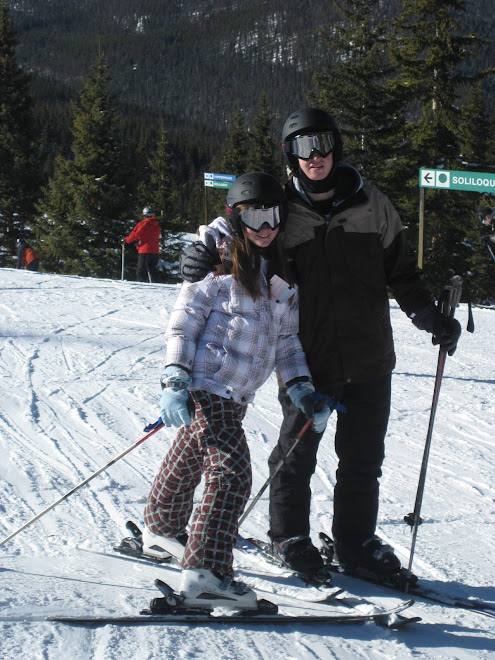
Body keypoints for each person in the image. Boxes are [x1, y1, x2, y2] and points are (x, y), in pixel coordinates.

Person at [179, 108, 462, 584]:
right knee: (296, 452)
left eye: (323, 144)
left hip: (371, 353)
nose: (316, 157)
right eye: (304, 147)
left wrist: (428, 316)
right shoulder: (283, 210)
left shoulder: (374, 205)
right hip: (309, 358)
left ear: (337, 147)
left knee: (363, 458)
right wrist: (202, 248)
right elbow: (237, 223)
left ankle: (354, 544)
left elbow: (402, 274)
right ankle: (288, 536)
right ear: (290, 154)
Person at [141, 172, 332, 611]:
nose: (265, 227)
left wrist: (302, 389)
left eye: (273, 215)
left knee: (192, 450)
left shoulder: (279, 276)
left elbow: (286, 342)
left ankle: (162, 525)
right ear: (236, 216)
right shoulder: (216, 262)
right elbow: (184, 320)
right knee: (231, 472)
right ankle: (207, 572)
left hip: (235, 396)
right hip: (207, 385)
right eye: (254, 216)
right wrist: (174, 379)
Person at [125, 206, 161, 282]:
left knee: (141, 269)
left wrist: (126, 240)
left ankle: (142, 285)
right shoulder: (156, 225)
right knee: (152, 269)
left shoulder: (143, 224)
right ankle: (157, 284)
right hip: (155, 250)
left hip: (145, 250)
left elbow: (135, 234)